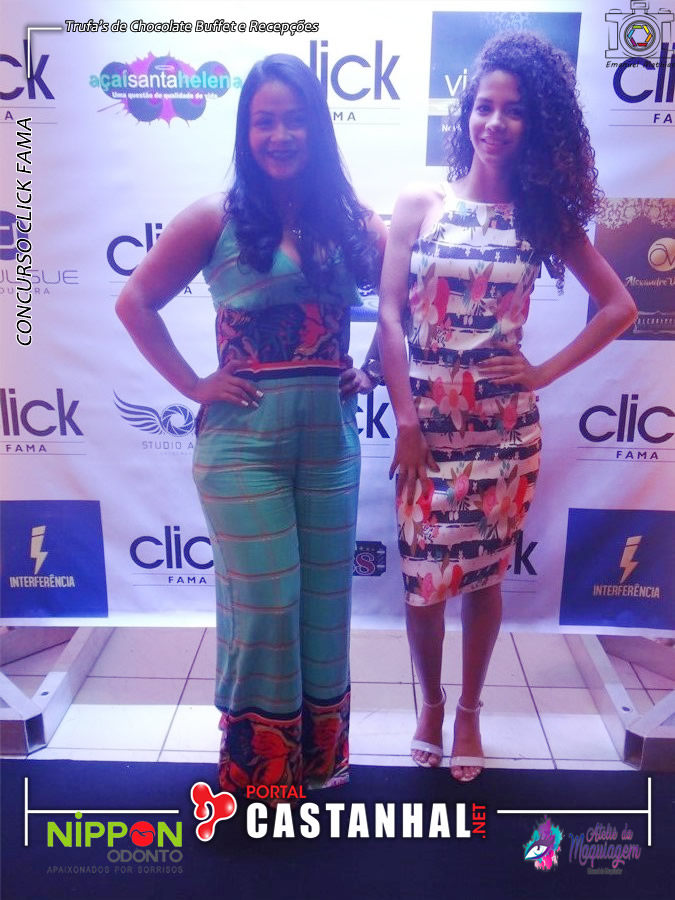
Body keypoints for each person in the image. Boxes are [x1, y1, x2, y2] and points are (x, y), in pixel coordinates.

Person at [116, 53, 386, 795]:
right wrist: (194, 385)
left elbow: (410, 297)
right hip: (242, 449)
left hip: (330, 445)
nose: (280, 135)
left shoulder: (350, 221)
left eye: (294, 119)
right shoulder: (214, 217)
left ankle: (318, 764)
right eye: (264, 121)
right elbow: (134, 303)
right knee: (267, 603)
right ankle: (258, 774)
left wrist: (372, 367)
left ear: (317, 128)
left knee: (324, 606)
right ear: (246, 131)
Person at [377, 33, 636, 782]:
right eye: (484, 106)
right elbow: (389, 317)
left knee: (484, 579)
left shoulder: (541, 215)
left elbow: (618, 306)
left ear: (537, 123)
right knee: (424, 582)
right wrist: (405, 420)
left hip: (501, 432)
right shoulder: (418, 203)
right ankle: (429, 705)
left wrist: (542, 372)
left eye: (514, 110)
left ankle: (468, 710)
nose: (494, 122)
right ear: (466, 112)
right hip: (426, 427)